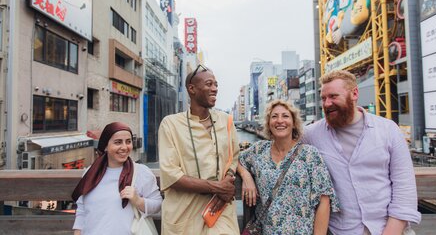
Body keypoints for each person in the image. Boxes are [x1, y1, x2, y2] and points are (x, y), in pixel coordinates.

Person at [302, 70, 421, 235]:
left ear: (354, 93)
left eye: (333, 96)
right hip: (340, 230)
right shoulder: (311, 134)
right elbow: (279, 153)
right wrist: (250, 176)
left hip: (387, 229)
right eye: (323, 98)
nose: (327, 104)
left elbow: (404, 188)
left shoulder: (388, 130)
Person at [158, 64, 240, 234]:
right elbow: (171, 175)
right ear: (192, 89)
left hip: (219, 209)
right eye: (209, 84)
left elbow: (234, 157)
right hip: (183, 214)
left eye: (216, 84)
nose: (215, 89)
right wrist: (217, 187)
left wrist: (229, 177)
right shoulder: (170, 124)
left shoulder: (227, 121)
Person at [238, 99, 339, 234]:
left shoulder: (309, 154)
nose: (280, 121)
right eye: (274, 116)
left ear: (294, 123)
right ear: (268, 123)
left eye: (285, 116)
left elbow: (324, 200)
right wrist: (246, 176)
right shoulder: (258, 150)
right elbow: (235, 160)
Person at [72, 122, 162, 235]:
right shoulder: (90, 173)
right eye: (118, 142)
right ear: (105, 146)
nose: (124, 147)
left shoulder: (141, 172)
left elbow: (157, 204)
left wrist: (138, 200)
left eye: (128, 141)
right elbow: (82, 210)